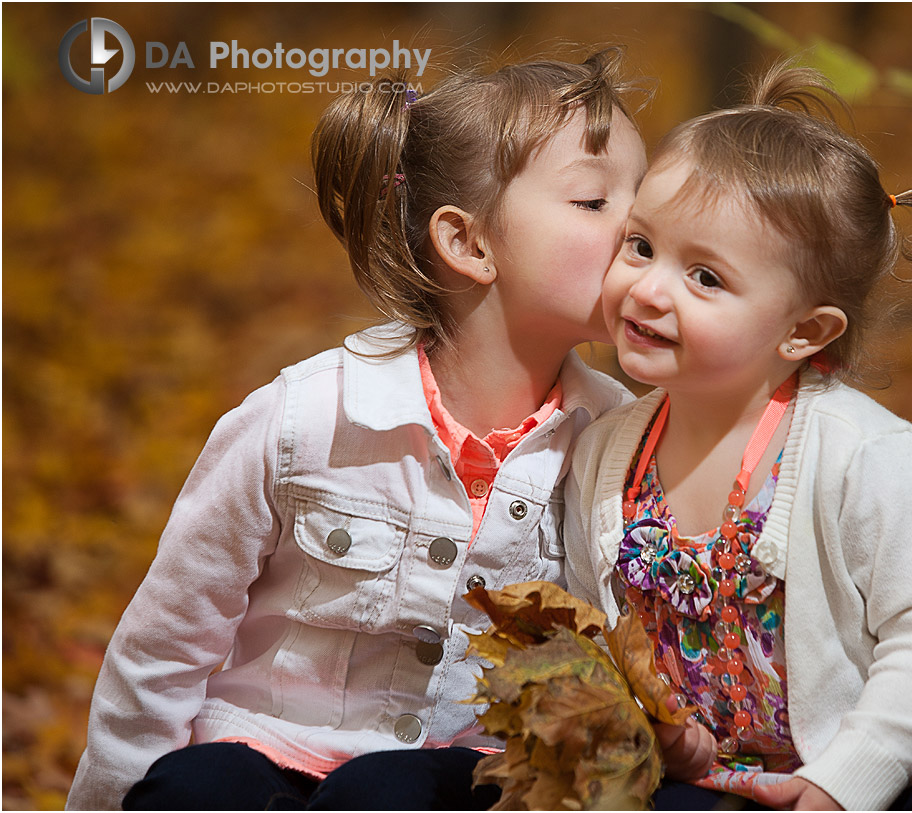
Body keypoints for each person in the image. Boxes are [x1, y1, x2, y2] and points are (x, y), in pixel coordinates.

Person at [66, 48, 650, 811]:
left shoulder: (620, 439)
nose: (635, 228)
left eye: (638, 203)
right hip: (269, 746)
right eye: (593, 201)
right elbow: (168, 641)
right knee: (197, 788)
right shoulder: (305, 420)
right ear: (468, 243)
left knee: (386, 794)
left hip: (461, 779)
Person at [563, 63, 912, 811]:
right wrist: (650, 726)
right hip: (727, 774)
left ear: (804, 331)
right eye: (640, 246)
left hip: (903, 751)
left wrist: (847, 780)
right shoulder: (606, 456)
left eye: (705, 277)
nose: (647, 287)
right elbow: (594, 629)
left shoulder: (863, 452)